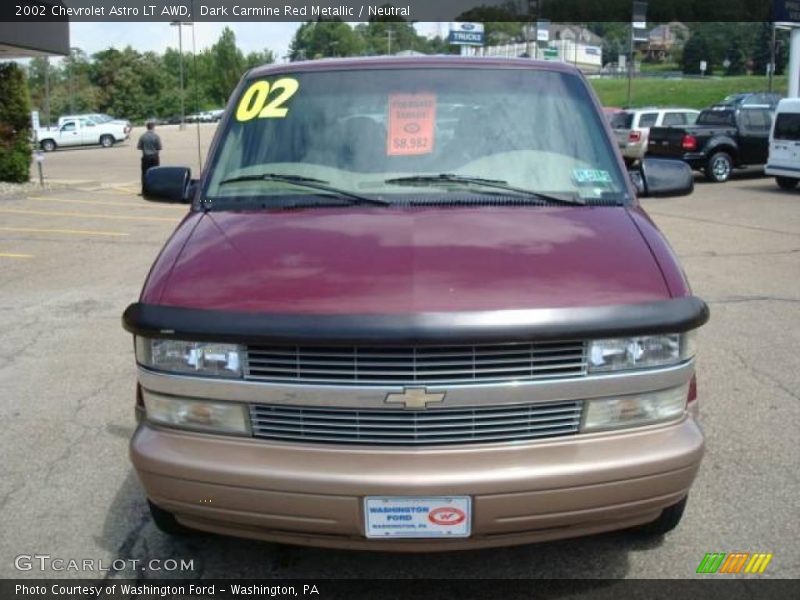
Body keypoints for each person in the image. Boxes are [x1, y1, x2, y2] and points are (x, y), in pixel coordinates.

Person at [137, 121, 162, 195]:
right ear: (153, 127)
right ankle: (155, 190)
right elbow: (159, 147)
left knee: (144, 174)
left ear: (147, 127)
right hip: (154, 157)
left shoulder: (143, 136)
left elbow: (139, 147)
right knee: (155, 173)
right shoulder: (156, 136)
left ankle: (144, 191)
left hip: (146, 157)